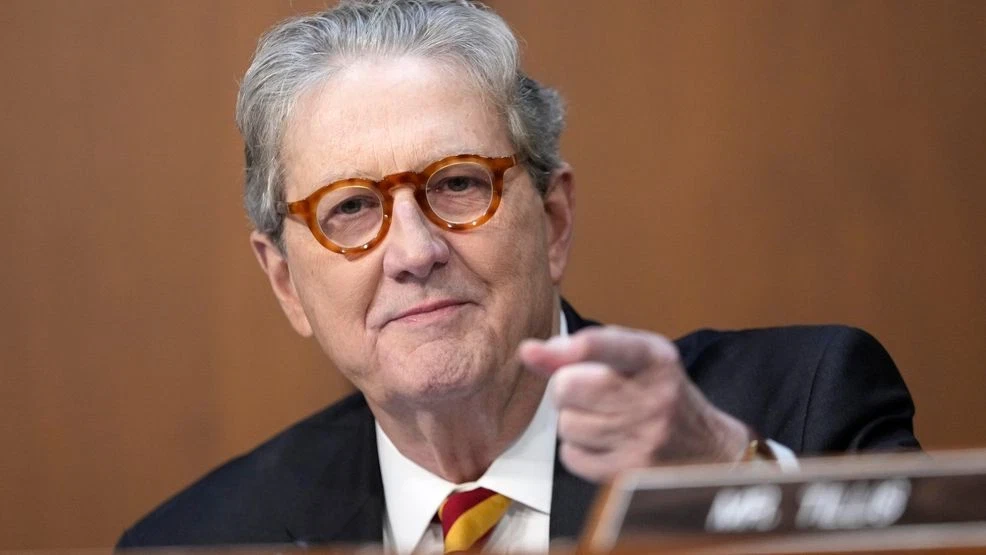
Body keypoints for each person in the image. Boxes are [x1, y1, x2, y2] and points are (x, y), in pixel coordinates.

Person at [117, 0, 919, 551]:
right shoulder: (197, 538)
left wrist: (720, 473)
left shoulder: (806, 401)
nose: (414, 251)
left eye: (459, 182)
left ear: (555, 218)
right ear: (287, 282)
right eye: (352, 207)